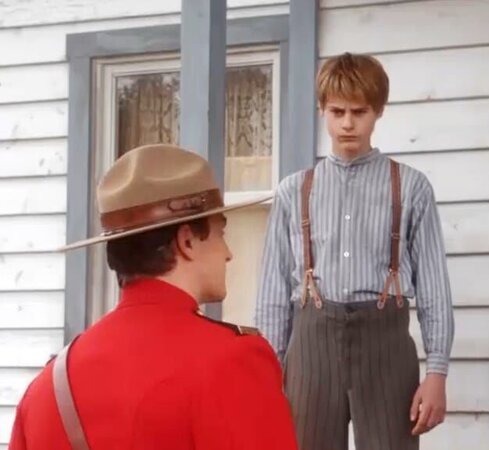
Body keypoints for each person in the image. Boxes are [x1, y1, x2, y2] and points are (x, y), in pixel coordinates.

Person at [9, 144, 297, 450]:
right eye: (220, 234)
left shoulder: (46, 388)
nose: (228, 253)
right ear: (187, 240)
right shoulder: (232, 363)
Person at [256, 52, 454, 450]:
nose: (347, 124)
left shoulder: (411, 187)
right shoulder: (294, 191)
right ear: (322, 110)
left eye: (359, 112)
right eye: (337, 111)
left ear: (378, 111)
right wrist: (269, 373)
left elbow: (434, 288)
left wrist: (437, 372)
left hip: (385, 345)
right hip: (312, 345)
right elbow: (272, 293)